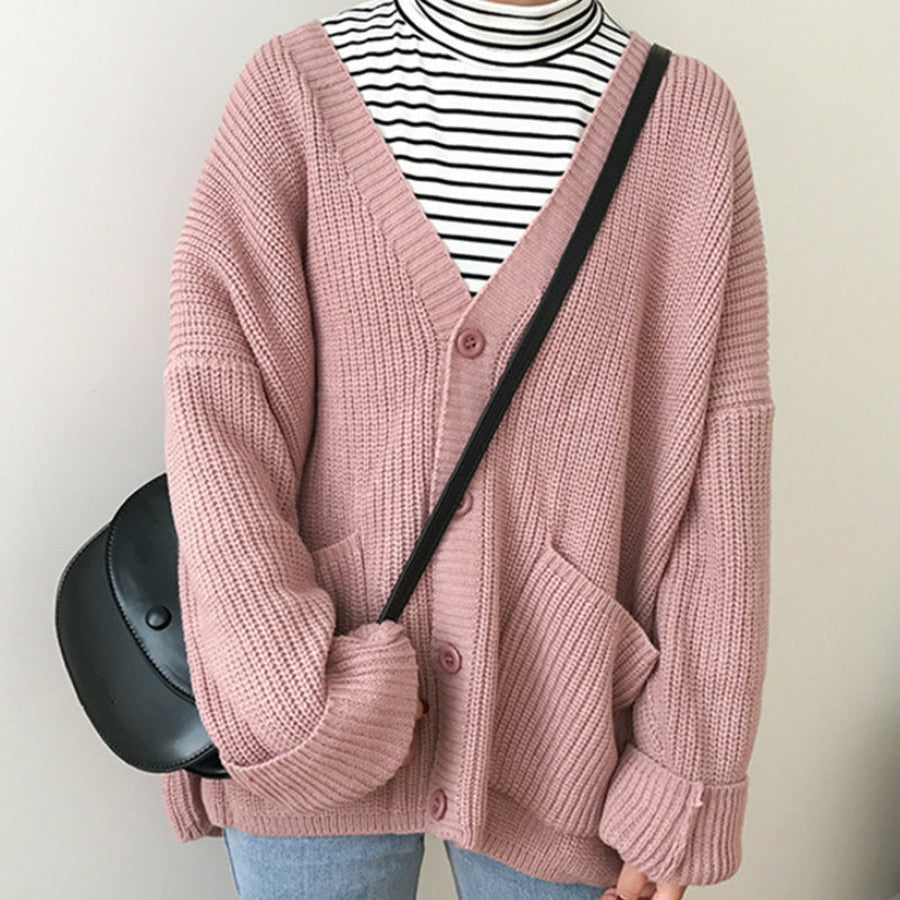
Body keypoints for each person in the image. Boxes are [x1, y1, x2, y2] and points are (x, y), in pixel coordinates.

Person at [160, 0, 774, 895]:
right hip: (312, 718)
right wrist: (283, 693)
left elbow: (724, 476)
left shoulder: (686, 124)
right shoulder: (295, 90)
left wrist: (684, 774)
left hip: (564, 735)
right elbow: (219, 408)